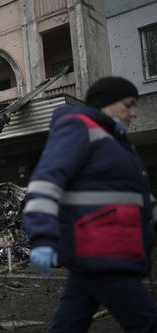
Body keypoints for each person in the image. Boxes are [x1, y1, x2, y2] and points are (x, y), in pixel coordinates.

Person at [23, 76, 157, 332]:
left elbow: (137, 197)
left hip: (98, 250)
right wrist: (42, 236)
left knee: (69, 325)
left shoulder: (115, 142)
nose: (134, 113)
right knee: (147, 323)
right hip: (103, 250)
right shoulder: (79, 127)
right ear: (107, 103)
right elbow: (45, 181)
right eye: (128, 105)